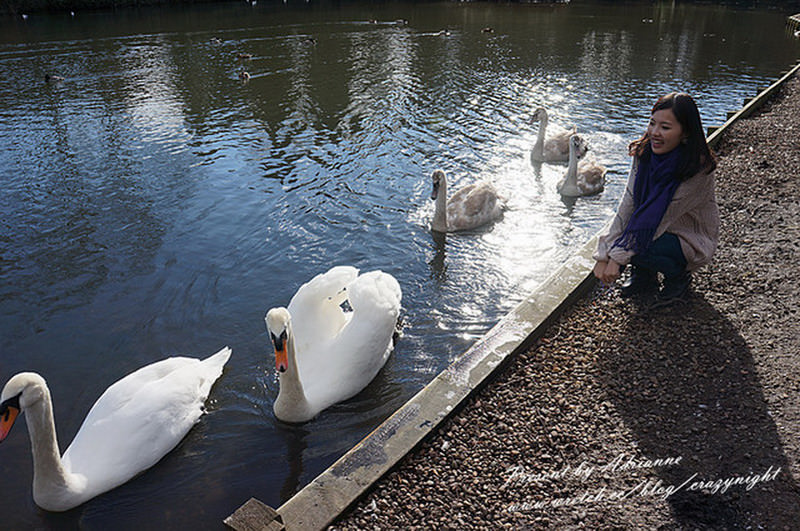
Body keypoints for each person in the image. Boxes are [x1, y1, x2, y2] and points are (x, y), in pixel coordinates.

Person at [593, 92, 720, 302]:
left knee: (641, 245)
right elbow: (629, 203)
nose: (655, 132)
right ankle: (644, 276)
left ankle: (678, 278)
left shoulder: (698, 168)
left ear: (685, 133)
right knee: (630, 236)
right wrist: (602, 254)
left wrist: (616, 258)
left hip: (687, 237)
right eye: (652, 123)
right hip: (654, 226)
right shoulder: (644, 154)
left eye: (665, 127)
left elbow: (659, 219)